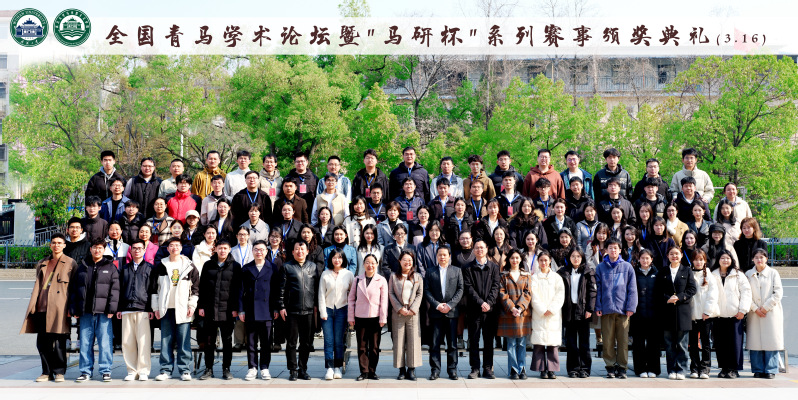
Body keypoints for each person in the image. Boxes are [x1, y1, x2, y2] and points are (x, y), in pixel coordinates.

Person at [20, 234, 77, 383]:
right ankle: (46, 372)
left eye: (59, 243)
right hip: (42, 307)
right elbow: (38, 285)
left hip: (60, 308)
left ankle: (59, 372)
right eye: (54, 243)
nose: (56, 245)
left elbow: (74, 288)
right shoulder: (42, 262)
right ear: (50, 245)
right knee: (42, 342)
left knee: (59, 342)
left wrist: (72, 308)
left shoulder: (71, 263)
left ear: (64, 245)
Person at [69, 238, 120, 383]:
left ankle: (105, 370)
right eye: (95, 248)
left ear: (104, 250)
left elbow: (115, 289)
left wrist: (112, 308)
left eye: (100, 248)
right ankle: (85, 371)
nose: (97, 250)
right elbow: (74, 289)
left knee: (105, 342)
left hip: (103, 312)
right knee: (85, 342)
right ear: (90, 249)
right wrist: (74, 308)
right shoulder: (82, 266)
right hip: (85, 311)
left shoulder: (110, 266)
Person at [152, 238, 200, 382]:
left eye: (177, 245)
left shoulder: (189, 266)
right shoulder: (161, 265)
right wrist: (156, 307)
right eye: (171, 246)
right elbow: (154, 289)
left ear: (181, 248)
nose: (174, 248)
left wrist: (192, 306)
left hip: (183, 309)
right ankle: (165, 370)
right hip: (165, 308)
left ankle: (185, 370)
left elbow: (195, 289)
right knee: (165, 341)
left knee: (183, 341)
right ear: (167, 249)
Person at [198, 240, 241, 380]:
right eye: (220, 248)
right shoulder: (208, 265)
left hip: (227, 310)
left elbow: (237, 289)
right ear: (215, 249)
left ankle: (226, 369)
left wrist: (235, 308)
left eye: (225, 248)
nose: (222, 251)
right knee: (209, 341)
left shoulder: (235, 266)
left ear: (229, 250)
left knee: (227, 341)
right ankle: (208, 369)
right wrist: (201, 306)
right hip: (210, 309)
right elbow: (202, 287)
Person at [594, 239, 637, 379]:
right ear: (606, 250)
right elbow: (598, 289)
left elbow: (632, 289)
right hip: (606, 309)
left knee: (623, 340)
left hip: (623, 310)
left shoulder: (627, 267)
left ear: (620, 250)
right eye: (610, 248)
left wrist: (631, 306)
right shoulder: (600, 268)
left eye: (615, 248)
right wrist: (598, 306)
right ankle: (610, 366)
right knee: (607, 341)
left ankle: (622, 367)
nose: (613, 250)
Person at [278, 240, 319, 381]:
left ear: (307, 251)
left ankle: (303, 369)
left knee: (306, 342)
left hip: (308, 310)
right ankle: (293, 370)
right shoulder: (287, 267)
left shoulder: (313, 267)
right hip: (292, 311)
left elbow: (316, 288)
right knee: (291, 342)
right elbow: (281, 289)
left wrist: (316, 306)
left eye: (302, 249)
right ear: (292, 251)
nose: (299, 251)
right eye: (297, 249)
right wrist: (281, 306)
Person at [655, 246, 697, 380]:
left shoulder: (687, 270)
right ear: (667, 256)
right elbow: (657, 290)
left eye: (677, 254)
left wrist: (679, 297)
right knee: (669, 344)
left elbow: (692, 289)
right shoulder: (662, 271)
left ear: (681, 255)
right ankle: (671, 370)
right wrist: (667, 298)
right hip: (667, 312)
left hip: (682, 312)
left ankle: (682, 370)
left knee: (682, 344)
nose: (674, 256)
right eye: (671, 254)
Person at [238, 240, 278, 381]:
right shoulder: (246, 268)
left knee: (266, 342)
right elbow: (240, 291)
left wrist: (276, 308)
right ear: (252, 251)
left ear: (266, 252)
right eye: (256, 249)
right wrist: (241, 310)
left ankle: (265, 367)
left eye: (261, 249)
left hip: (267, 310)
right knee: (251, 342)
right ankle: (252, 367)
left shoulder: (272, 267)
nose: (259, 252)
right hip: (251, 310)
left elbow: (276, 290)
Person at [462, 239, 502, 379]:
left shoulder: (494, 267)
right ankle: (475, 368)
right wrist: (481, 303)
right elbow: (468, 288)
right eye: (477, 248)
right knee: (473, 340)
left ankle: (487, 368)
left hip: (490, 311)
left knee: (488, 340)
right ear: (473, 250)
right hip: (474, 309)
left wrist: (488, 303)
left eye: (482, 247)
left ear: (486, 249)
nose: (479, 250)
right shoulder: (467, 268)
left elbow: (496, 287)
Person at [424, 245, 464, 380]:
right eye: (440, 255)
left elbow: (460, 289)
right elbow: (427, 290)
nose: (442, 257)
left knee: (452, 344)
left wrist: (450, 305)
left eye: (445, 254)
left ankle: (452, 370)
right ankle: (435, 370)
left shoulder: (457, 271)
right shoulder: (430, 272)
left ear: (449, 256)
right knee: (434, 343)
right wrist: (437, 305)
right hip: (436, 312)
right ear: (436, 256)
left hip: (451, 312)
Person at [116, 240, 154, 382]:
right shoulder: (124, 269)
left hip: (143, 309)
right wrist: (119, 308)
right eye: (134, 248)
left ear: (144, 251)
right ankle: (131, 370)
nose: (137, 250)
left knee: (143, 341)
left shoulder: (150, 268)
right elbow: (119, 289)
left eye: (140, 248)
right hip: (126, 309)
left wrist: (151, 308)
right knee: (127, 341)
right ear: (130, 251)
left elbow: (152, 289)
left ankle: (143, 370)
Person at [711, 249, 751, 379]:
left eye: (727, 258)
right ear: (718, 260)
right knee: (720, 343)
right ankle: (724, 368)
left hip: (735, 314)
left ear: (731, 260)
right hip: (718, 314)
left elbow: (746, 292)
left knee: (735, 343)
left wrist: (742, 310)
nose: (725, 260)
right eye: (722, 258)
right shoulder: (712, 274)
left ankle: (734, 369)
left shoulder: (738, 275)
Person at [348, 253, 389, 381]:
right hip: (360, 316)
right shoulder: (357, 279)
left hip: (375, 317)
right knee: (362, 345)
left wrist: (383, 318)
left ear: (377, 264)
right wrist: (351, 317)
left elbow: (384, 301)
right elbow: (351, 299)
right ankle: (364, 371)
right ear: (363, 264)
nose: (370, 265)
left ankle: (372, 371)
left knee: (374, 346)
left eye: (372, 263)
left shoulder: (381, 280)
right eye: (367, 262)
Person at [746, 249, 784, 379]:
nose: (759, 260)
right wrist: (755, 308)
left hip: (771, 312)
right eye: (756, 257)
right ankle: (757, 369)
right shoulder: (748, 274)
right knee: (755, 341)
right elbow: (746, 294)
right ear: (753, 259)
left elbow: (778, 292)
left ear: (766, 259)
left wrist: (766, 307)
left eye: (761, 257)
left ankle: (771, 369)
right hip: (754, 313)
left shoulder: (773, 273)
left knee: (771, 341)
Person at [318, 248, 355, 380]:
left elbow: (352, 295)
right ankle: (329, 368)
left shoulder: (348, 274)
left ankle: (338, 367)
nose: (337, 260)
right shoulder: (325, 274)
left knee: (339, 341)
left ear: (343, 259)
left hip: (342, 309)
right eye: (334, 257)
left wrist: (351, 313)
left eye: (339, 257)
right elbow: (321, 294)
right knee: (328, 340)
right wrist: (323, 311)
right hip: (327, 310)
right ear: (331, 259)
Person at [558, 248, 597, 374]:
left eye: (578, 256)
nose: (576, 259)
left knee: (584, 342)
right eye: (573, 256)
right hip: (569, 310)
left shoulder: (588, 272)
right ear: (569, 258)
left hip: (583, 310)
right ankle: (573, 368)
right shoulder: (563, 272)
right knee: (571, 342)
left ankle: (585, 368)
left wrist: (590, 309)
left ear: (582, 258)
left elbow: (592, 292)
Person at [497, 248, 533, 379]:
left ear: (521, 259)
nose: (515, 260)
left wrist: (519, 307)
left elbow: (528, 293)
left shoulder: (526, 275)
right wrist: (512, 308)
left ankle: (522, 368)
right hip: (509, 314)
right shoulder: (503, 275)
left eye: (517, 258)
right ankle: (513, 369)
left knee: (522, 343)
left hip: (522, 314)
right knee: (511, 343)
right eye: (512, 258)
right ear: (508, 260)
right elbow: (502, 293)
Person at [529, 251, 565, 379]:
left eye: (546, 260)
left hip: (553, 315)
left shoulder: (556, 277)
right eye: (541, 260)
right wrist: (542, 309)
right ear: (538, 262)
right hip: (539, 314)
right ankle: (541, 369)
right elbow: (533, 296)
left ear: (550, 261)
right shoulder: (534, 278)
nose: (543, 263)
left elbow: (560, 295)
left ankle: (552, 369)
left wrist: (552, 309)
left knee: (552, 344)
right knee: (539, 343)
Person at [388, 250, 424, 380]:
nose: (407, 262)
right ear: (399, 261)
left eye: (410, 260)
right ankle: (401, 370)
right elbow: (391, 293)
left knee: (413, 341)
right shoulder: (393, 276)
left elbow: (420, 294)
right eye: (405, 260)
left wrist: (413, 309)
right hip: (398, 313)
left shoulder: (417, 276)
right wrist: (399, 308)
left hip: (413, 313)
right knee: (399, 341)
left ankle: (411, 370)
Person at [687, 249, 719, 379]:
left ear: (705, 261)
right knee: (693, 343)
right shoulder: (688, 274)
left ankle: (705, 368)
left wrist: (707, 311)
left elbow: (713, 295)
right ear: (692, 261)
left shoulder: (710, 276)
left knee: (705, 342)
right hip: (692, 315)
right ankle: (694, 367)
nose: (698, 262)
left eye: (701, 259)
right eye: (696, 259)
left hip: (705, 315)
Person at [631, 249, 660, 378]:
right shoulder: (634, 273)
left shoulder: (657, 273)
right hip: (638, 314)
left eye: (647, 258)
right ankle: (640, 369)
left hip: (654, 315)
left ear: (651, 259)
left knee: (653, 343)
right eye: (642, 258)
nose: (645, 260)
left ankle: (653, 369)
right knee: (638, 343)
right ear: (639, 259)